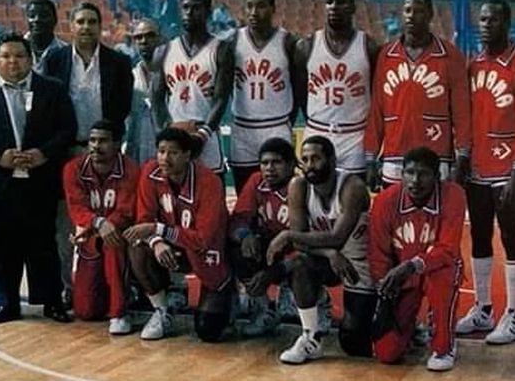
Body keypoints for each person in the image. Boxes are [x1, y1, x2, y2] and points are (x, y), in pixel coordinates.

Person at [0, 33, 77, 324]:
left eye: (20, 56)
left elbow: (67, 128)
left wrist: (43, 153)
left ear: (31, 59)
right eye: (6, 56)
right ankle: (6, 303)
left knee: (43, 244)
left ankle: (51, 301)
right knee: (0, 246)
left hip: (39, 180)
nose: (13, 62)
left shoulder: (52, 89)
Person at [456, 0, 515, 344]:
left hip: (506, 167)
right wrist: (463, 155)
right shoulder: (473, 64)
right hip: (477, 166)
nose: (486, 24)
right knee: (478, 236)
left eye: (493, 19)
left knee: (510, 235)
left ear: (507, 23)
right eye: (483, 19)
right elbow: (465, 116)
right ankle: (483, 308)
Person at [42, 1, 135, 308]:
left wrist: (107, 145)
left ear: (100, 26)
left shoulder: (118, 63)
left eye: (92, 22)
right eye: (80, 21)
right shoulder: (54, 60)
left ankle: (115, 287)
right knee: (65, 225)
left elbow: (122, 109)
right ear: (70, 26)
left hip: (105, 151)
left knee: (110, 218)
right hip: (66, 150)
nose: (86, 27)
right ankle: (67, 287)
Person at [266, 136, 376, 364]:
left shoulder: (352, 187)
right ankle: (311, 337)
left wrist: (287, 235)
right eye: (305, 159)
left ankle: (390, 316)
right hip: (329, 258)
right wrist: (329, 254)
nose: (309, 165)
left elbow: (337, 237)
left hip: (359, 262)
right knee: (298, 264)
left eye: (316, 158)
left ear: (332, 160)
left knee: (354, 341)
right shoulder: (299, 186)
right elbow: (300, 243)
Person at [124, 127, 233, 342]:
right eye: (161, 151)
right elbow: (144, 218)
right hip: (173, 244)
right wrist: (156, 242)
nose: (165, 158)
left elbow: (204, 239)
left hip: (207, 251)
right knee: (137, 247)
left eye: (173, 153)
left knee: (208, 331)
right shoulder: (150, 171)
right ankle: (162, 310)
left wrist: (159, 230)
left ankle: (229, 290)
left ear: (187, 155)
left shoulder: (209, 182)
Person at [368, 147, 465, 371]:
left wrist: (412, 265)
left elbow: (448, 249)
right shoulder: (385, 201)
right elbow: (378, 252)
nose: (415, 180)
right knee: (387, 353)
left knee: (442, 275)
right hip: (402, 277)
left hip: (437, 269)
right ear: (401, 174)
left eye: (424, 174)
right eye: (410, 173)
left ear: (437, 176)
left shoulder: (453, 195)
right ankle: (411, 328)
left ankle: (444, 345)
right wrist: (384, 286)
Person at [364, 0, 471, 190]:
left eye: (419, 11)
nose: (411, 16)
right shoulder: (386, 55)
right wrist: (370, 156)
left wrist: (463, 154)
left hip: (436, 154)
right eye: (407, 11)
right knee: (395, 209)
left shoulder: (451, 56)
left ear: (430, 15)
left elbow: (462, 111)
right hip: (395, 154)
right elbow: (377, 110)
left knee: (435, 208)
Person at [63, 119, 139, 334]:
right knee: (86, 311)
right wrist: (99, 223)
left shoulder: (131, 169)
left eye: (103, 141)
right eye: (92, 140)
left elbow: (126, 209)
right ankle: (123, 291)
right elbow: (77, 208)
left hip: (121, 234)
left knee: (112, 244)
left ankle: (119, 313)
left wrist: (108, 225)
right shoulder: (73, 169)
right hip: (91, 234)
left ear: (117, 144)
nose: (96, 146)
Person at [294, 0, 379, 175]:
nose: (334, 6)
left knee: (353, 191)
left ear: (353, 8)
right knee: (315, 190)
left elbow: (376, 96)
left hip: (355, 136)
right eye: (329, 2)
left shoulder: (369, 46)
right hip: (317, 131)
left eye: (341, 2)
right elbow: (300, 93)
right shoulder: (306, 46)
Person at [152, 0, 233, 176]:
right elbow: (156, 98)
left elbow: (221, 98)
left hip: (205, 133)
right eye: (186, 7)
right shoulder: (163, 51)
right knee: (174, 190)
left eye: (196, 8)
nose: (189, 12)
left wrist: (203, 135)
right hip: (175, 131)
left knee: (211, 187)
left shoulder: (221, 49)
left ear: (208, 13)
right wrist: (163, 132)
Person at [230, 0, 300, 194]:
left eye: (260, 6)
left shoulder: (288, 42)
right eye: (249, 6)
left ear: (273, 9)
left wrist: (288, 120)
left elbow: (299, 89)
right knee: (245, 193)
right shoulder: (232, 41)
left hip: (276, 125)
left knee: (281, 193)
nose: (253, 12)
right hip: (243, 128)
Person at [228, 137, 296, 336]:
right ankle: (263, 308)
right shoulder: (257, 181)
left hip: (298, 253)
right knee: (236, 248)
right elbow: (238, 219)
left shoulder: (301, 188)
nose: (269, 168)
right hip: (268, 248)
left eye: (276, 162)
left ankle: (319, 303)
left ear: (291, 165)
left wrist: (273, 272)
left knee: (305, 265)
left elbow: (308, 241)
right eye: (265, 163)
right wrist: (245, 235)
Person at [124, 19, 162, 164]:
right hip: (136, 154)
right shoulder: (129, 78)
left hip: (167, 156)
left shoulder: (173, 75)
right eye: (138, 37)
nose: (144, 41)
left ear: (160, 39)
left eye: (150, 35)